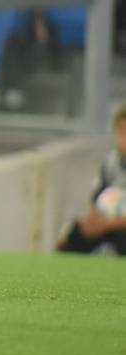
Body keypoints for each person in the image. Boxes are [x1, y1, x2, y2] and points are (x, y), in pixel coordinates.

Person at [57, 105, 126, 256]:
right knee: (73, 236)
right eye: (121, 131)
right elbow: (97, 196)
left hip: (118, 225)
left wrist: (108, 225)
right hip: (108, 222)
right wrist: (91, 221)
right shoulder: (111, 162)